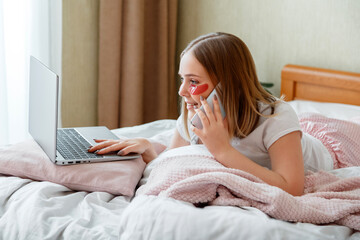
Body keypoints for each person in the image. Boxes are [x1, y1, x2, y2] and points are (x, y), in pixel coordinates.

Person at [89, 32, 360, 196]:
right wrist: (150, 149)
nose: (183, 91)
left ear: (226, 86)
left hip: (330, 153)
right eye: (182, 79)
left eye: (193, 81)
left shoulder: (276, 117)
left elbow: (291, 188)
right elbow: (175, 161)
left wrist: (222, 151)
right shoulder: (194, 111)